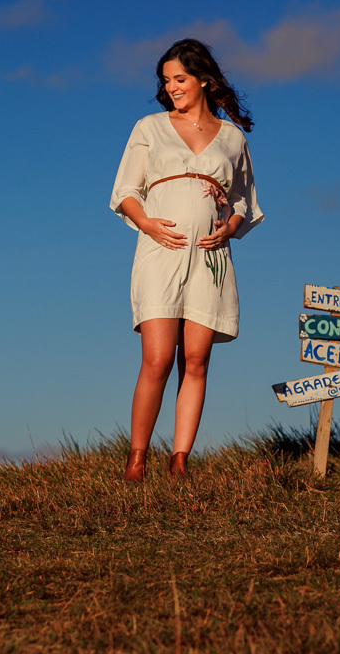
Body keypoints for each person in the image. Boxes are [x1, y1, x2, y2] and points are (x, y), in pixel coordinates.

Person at [109, 39, 264, 481]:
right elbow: (125, 191)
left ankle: (179, 463)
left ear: (204, 80)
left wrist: (229, 227)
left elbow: (243, 202)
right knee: (157, 359)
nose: (172, 87)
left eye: (179, 79)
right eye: (166, 81)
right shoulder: (149, 127)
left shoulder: (232, 137)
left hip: (211, 257)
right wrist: (149, 225)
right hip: (161, 250)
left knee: (194, 361)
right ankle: (136, 462)